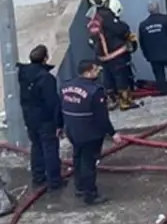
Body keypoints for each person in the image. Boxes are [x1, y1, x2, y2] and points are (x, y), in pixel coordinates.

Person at [60, 59, 122, 204]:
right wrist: (113, 133)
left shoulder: (65, 86)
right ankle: (90, 194)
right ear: (88, 72)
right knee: (88, 163)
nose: (98, 72)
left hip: (72, 130)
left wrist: (59, 126)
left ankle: (80, 187)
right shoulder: (95, 90)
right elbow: (102, 117)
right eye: (95, 70)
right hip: (90, 132)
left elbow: (60, 108)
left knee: (77, 157)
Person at [17, 45, 63, 191]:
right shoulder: (46, 78)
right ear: (45, 58)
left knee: (36, 146)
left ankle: (38, 177)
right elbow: (52, 102)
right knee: (50, 149)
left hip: (30, 117)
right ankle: (54, 181)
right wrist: (59, 123)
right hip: (45, 119)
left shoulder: (23, 74)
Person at [88, 0, 140, 110]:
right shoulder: (110, 20)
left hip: (102, 58)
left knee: (108, 79)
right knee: (121, 78)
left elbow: (92, 41)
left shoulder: (96, 19)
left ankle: (111, 101)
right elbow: (123, 30)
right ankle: (125, 102)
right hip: (116, 56)